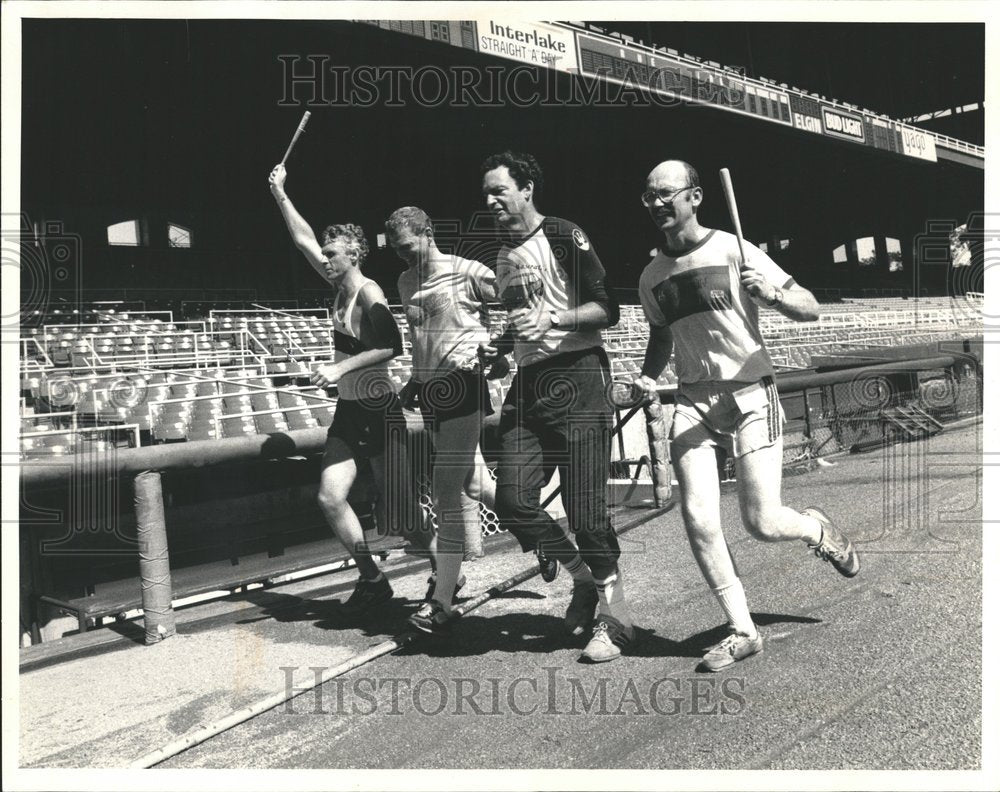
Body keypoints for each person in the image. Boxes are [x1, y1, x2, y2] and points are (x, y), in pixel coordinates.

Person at [634, 159, 860, 672]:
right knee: (698, 519)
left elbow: (811, 306)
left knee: (760, 521)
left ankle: (817, 530)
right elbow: (660, 336)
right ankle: (742, 629)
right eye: (648, 196)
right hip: (693, 400)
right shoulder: (651, 275)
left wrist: (775, 295)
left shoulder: (733, 248)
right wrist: (648, 378)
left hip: (751, 393)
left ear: (694, 197)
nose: (656, 204)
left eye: (666, 193)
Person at [477, 151, 634, 663]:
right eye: (486, 192)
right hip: (530, 383)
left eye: (499, 190)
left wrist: (554, 322)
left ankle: (616, 619)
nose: (490, 200)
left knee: (586, 513)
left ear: (526, 188)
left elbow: (605, 308)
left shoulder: (564, 234)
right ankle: (583, 579)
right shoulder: (503, 254)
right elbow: (525, 319)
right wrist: (500, 346)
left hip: (580, 376)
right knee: (512, 501)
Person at [268, 163, 430, 614]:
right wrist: (281, 193)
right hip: (350, 411)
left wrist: (339, 370)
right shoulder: (336, 285)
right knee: (329, 496)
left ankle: (444, 571)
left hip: (380, 410)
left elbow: (390, 345)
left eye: (333, 254)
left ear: (355, 255)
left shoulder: (369, 294)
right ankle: (373, 578)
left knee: (402, 517)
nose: (325, 259)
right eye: (325, 253)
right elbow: (302, 240)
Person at [386, 206, 498, 635]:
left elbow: (517, 306)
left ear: (429, 232)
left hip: (464, 383)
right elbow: (420, 337)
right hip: (432, 393)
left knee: (445, 489)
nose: (403, 256)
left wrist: (495, 350)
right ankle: (547, 538)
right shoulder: (405, 281)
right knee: (474, 484)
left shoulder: (469, 271)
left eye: (408, 247)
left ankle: (442, 600)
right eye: (396, 250)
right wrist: (415, 379)